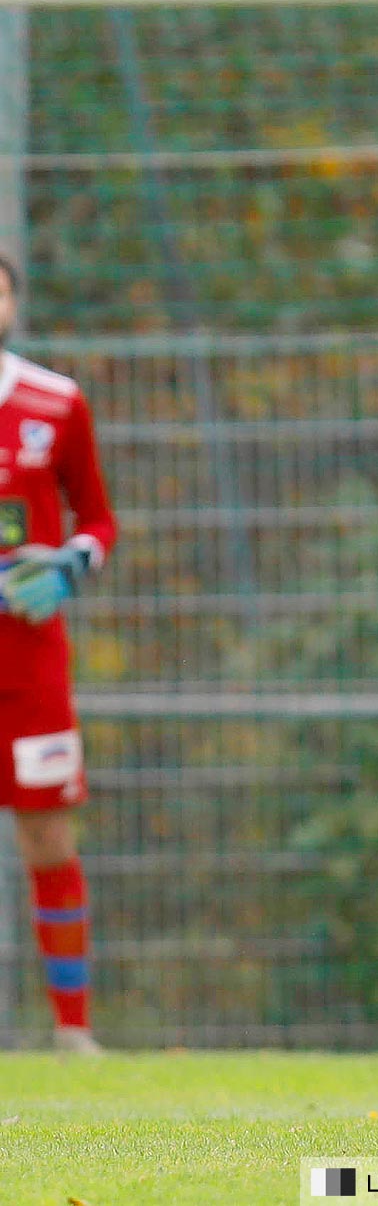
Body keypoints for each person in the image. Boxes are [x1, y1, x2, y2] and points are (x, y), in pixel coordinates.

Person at [0, 253, 117, 1054]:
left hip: (30, 664)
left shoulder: (55, 400)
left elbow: (99, 520)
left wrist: (70, 564)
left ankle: (73, 1035)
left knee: (49, 838)